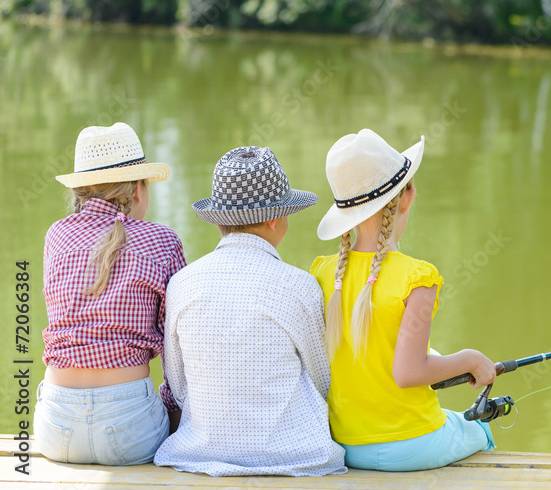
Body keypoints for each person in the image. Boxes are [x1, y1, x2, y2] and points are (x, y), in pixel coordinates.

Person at [154, 146, 346, 477]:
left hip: (199, 454)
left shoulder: (181, 284)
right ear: (275, 218)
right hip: (294, 457)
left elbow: (179, 385)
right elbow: (321, 380)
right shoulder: (299, 286)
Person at [311, 129, 496, 471]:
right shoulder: (418, 278)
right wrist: (471, 360)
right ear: (408, 197)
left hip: (345, 444)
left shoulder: (323, 274)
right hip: (412, 445)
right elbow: (409, 372)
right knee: (480, 429)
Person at [38, 122, 186, 465]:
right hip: (130, 426)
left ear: (79, 193)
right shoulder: (163, 241)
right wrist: (172, 407)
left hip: (55, 427)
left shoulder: (56, 236)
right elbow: (176, 347)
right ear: (138, 189)